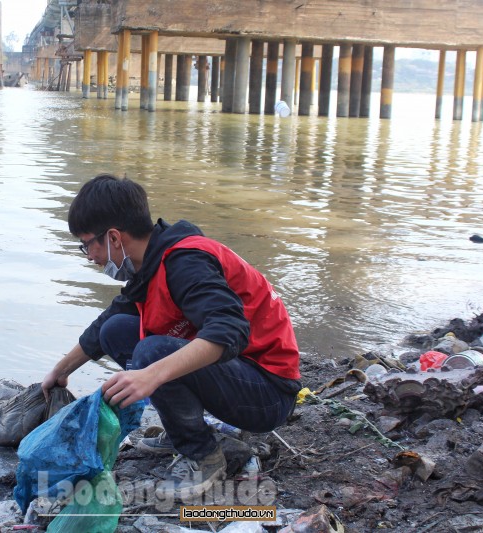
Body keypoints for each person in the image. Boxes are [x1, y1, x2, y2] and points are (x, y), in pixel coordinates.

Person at [41, 174, 301, 501]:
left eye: (87, 244)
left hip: (267, 393)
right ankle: (183, 429)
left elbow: (229, 332)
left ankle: (203, 455)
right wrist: (61, 371)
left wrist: (151, 375)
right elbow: (104, 325)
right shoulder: (151, 264)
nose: (89, 256)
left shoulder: (185, 261)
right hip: (235, 375)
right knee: (115, 331)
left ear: (113, 238)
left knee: (152, 353)